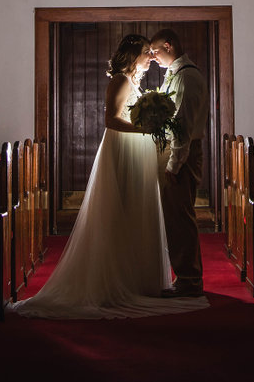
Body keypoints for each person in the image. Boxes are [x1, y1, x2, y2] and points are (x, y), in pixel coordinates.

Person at [12, 33, 208, 319]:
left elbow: (180, 121)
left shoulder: (160, 79)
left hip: (139, 153)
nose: (151, 57)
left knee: (144, 214)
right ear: (133, 55)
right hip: (123, 151)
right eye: (146, 52)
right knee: (122, 213)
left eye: (152, 51)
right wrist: (146, 129)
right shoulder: (121, 80)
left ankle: (145, 277)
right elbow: (111, 120)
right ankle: (121, 279)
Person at [150, 28, 209, 298]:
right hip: (177, 152)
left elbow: (183, 127)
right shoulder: (175, 73)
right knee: (174, 216)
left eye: (155, 51)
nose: (153, 57)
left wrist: (174, 165)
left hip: (183, 154)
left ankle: (189, 280)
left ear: (168, 45)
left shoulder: (187, 77)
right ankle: (185, 277)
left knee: (180, 217)